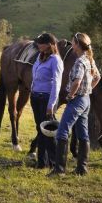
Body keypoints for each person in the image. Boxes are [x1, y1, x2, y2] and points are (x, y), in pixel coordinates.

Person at [49, 32, 101, 176]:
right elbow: (97, 77)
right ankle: (82, 168)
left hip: (77, 100)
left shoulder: (79, 61)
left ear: (78, 44)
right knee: (83, 133)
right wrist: (88, 89)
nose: (71, 45)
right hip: (86, 100)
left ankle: (59, 169)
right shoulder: (89, 59)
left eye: (73, 42)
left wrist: (70, 95)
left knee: (62, 131)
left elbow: (77, 81)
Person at [28, 32, 64, 169]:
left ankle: (55, 163)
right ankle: (42, 162)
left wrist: (51, 104)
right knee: (40, 129)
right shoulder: (40, 56)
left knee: (48, 132)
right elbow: (35, 73)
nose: (38, 45)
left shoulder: (55, 60)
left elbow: (57, 83)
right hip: (36, 97)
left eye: (40, 43)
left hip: (46, 99)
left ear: (49, 44)